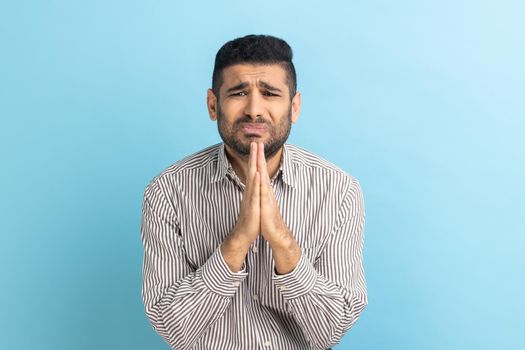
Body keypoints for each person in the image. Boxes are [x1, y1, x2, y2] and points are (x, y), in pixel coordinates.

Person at [140, 34, 367, 350]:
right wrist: (239, 239)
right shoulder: (167, 192)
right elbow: (174, 328)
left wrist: (282, 241)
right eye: (238, 93)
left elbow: (330, 329)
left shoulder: (338, 191)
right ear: (212, 105)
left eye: (270, 93)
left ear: (294, 106)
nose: (254, 110)